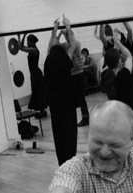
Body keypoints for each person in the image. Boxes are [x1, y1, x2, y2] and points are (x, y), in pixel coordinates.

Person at [45, 16, 78, 165]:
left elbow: (50, 48)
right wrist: (68, 26)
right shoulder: (64, 64)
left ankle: (62, 165)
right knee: (70, 137)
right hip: (67, 107)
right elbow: (72, 46)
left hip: (55, 108)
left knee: (59, 137)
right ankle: (69, 165)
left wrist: (55, 30)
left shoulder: (47, 63)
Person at [103, 30, 133, 147]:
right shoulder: (123, 75)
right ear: (120, 61)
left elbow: (112, 56)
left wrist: (115, 44)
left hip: (116, 119)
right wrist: (118, 42)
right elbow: (129, 55)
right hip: (129, 118)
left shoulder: (105, 76)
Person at [61, 20, 89, 127]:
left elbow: (72, 42)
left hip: (79, 74)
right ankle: (82, 117)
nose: (67, 37)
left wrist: (68, 29)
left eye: (69, 35)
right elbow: (56, 45)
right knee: (76, 98)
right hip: (72, 75)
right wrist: (60, 33)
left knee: (81, 97)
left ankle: (85, 117)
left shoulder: (76, 44)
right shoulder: (65, 46)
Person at [19, 34, 47, 116]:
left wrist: (22, 36)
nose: (27, 43)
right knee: (37, 91)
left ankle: (42, 110)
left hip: (36, 74)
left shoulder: (34, 50)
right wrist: (22, 36)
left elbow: (21, 48)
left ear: (32, 42)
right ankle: (42, 110)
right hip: (34, 74)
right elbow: (21, 46)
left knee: (38, 91)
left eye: (28, 41)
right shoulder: (32, 49)